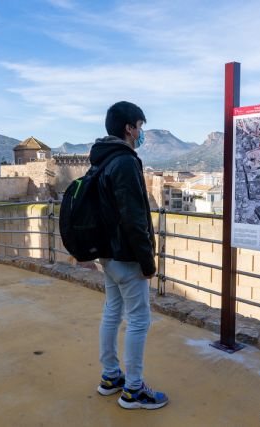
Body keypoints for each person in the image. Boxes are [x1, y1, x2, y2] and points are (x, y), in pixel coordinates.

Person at [91, 101, 168, 410]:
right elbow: (134, 218)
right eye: (140, 127)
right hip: (126, 256)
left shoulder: (100, 160)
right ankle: (134, 389)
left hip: (108, 256)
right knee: (138, 320)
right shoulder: (124, 162)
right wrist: (148, 262)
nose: (141, 132)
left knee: (112, 311)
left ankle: (111, 376)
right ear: (129, 128)